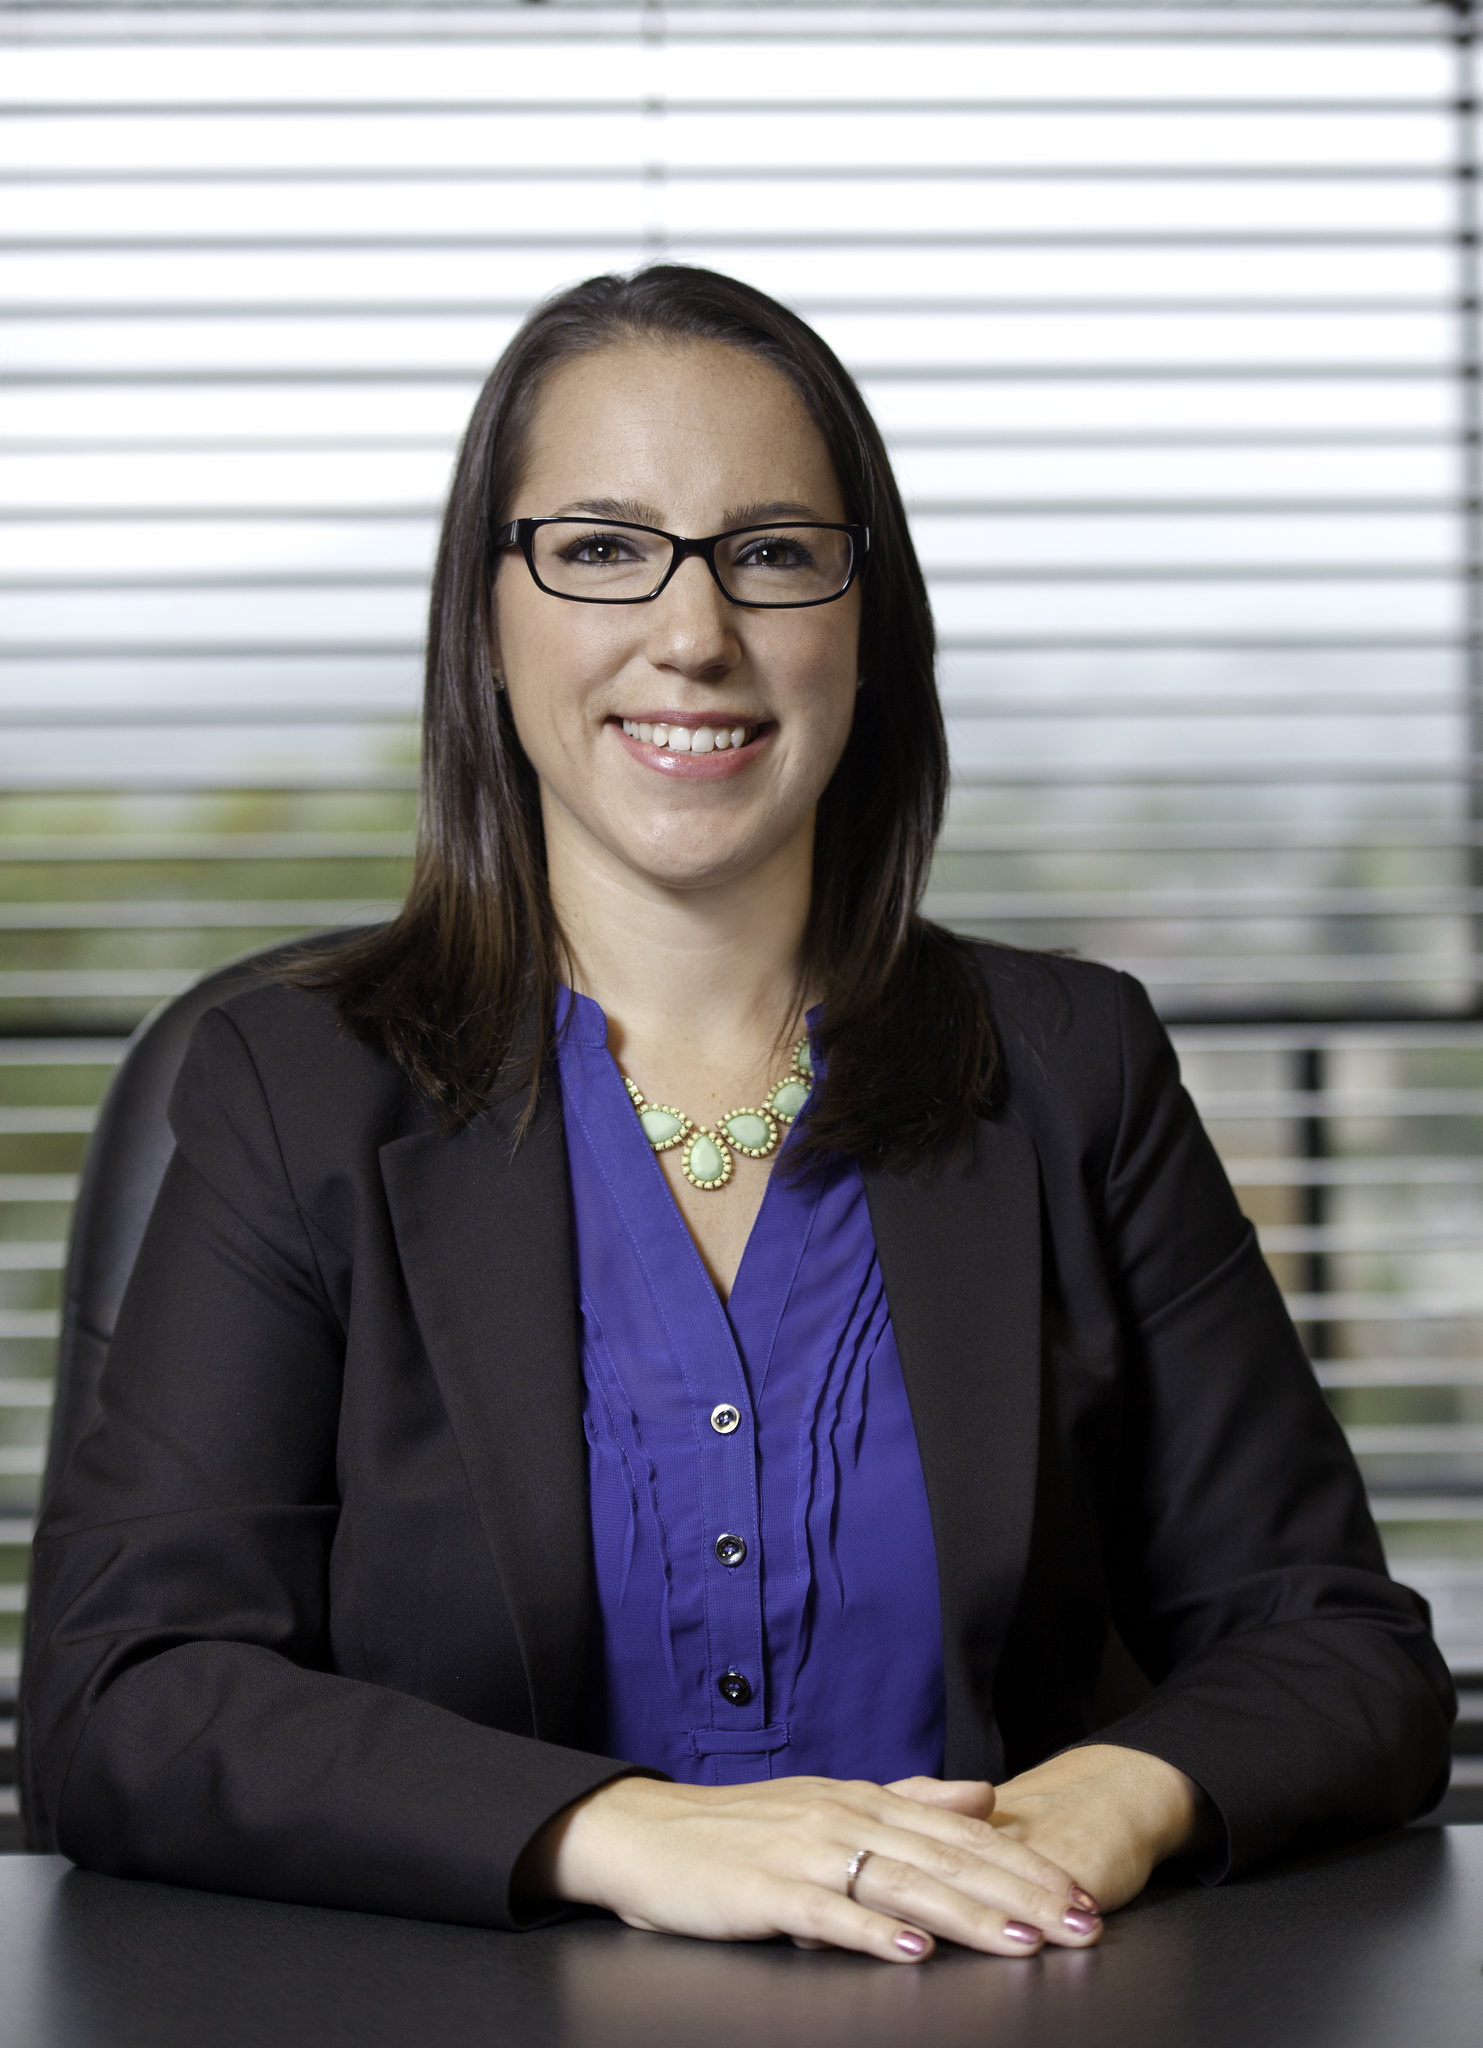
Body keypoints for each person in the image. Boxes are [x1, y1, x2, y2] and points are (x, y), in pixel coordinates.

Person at [20, 266, 1454, 1965]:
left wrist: (1108, 1799)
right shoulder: (292, 1087)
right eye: (603, 549)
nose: (691, 633)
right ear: (489, 617)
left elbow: (1339, 1647)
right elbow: (126, 1696)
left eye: (771, 552)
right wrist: (624, 1835)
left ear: (868, 618)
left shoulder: (1074, 1065)